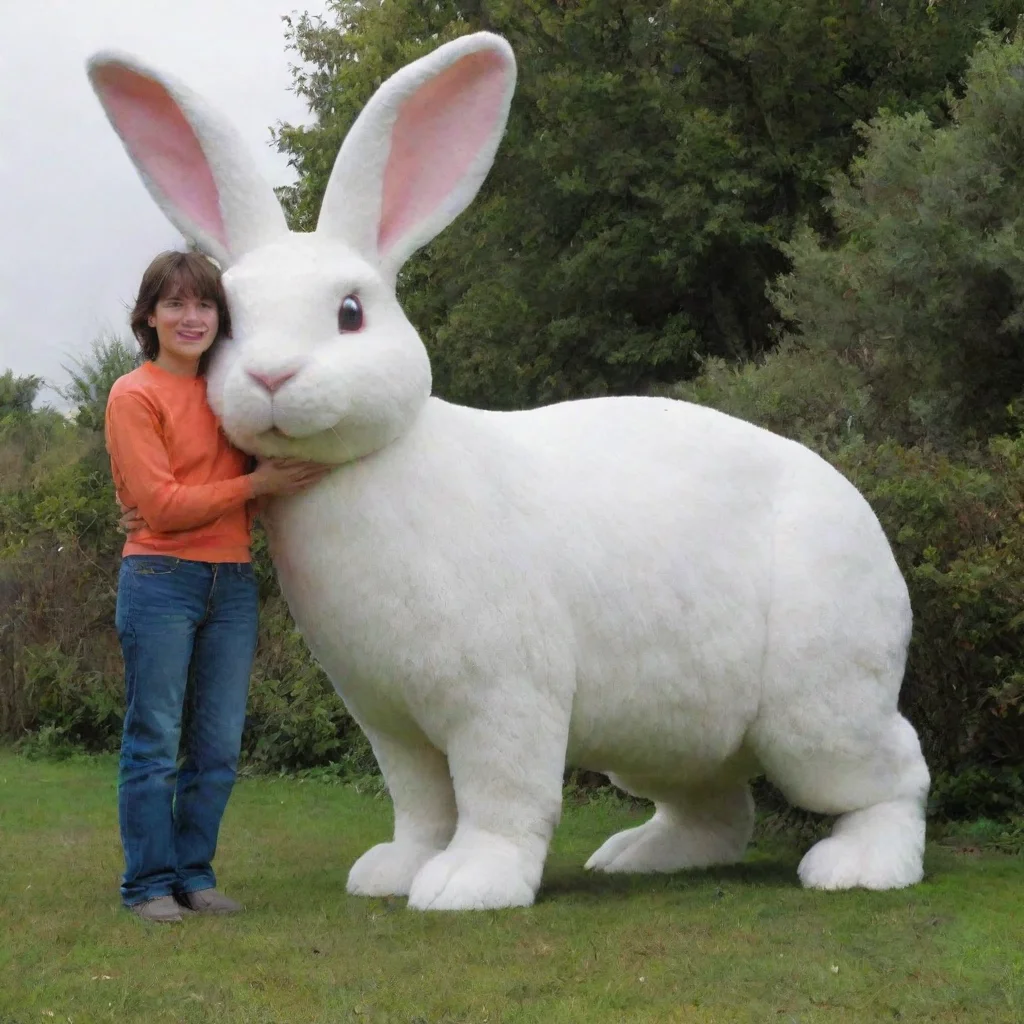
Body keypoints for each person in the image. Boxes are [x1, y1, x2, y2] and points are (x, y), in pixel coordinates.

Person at [105, 250, 330, 923]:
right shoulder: (133, 394)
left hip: (231, 581)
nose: (191, 316)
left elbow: (240, 488)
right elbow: (166, 506)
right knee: (154, 740)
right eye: (174, 304)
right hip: (159, 579)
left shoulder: (225, 395)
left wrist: (253, 490)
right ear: (149, 316)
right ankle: (148, 885)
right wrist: (255, 486)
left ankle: (194, 876)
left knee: (218, 747)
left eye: (204, 304)